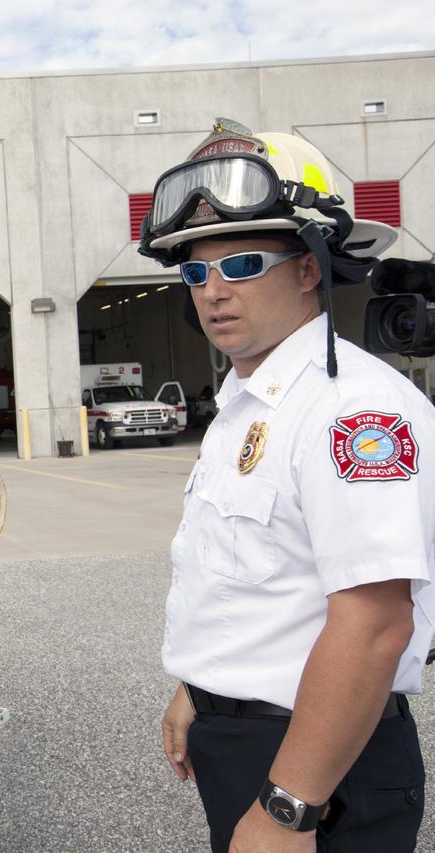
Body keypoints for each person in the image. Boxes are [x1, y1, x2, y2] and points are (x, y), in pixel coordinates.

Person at [141, 119, 435, 852]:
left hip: (324, 766)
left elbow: (373, 625)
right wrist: (200, 689)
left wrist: (288, 808)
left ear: (310, 267)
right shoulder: (249, 400)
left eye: (241, 263)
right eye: (195, 272)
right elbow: (257, 578)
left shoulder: (352, 409)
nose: (213, 291)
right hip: (249, 739)